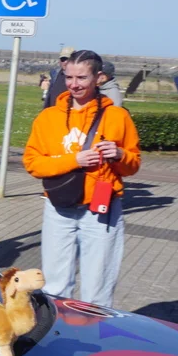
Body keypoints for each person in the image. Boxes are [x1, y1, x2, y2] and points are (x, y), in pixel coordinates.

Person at [24, 49, 140, 307]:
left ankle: (94, 328)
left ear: (98, 78)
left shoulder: (117, 116)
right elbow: (33, 163)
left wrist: (120, 155)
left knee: (98, 287)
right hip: (58, 208)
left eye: (82, 78)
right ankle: (58, 326)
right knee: (54, 285)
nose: (74, 84)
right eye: (69, 77)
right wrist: (74, 160)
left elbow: (132, 165)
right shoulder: (48, 117)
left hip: (101, 209)